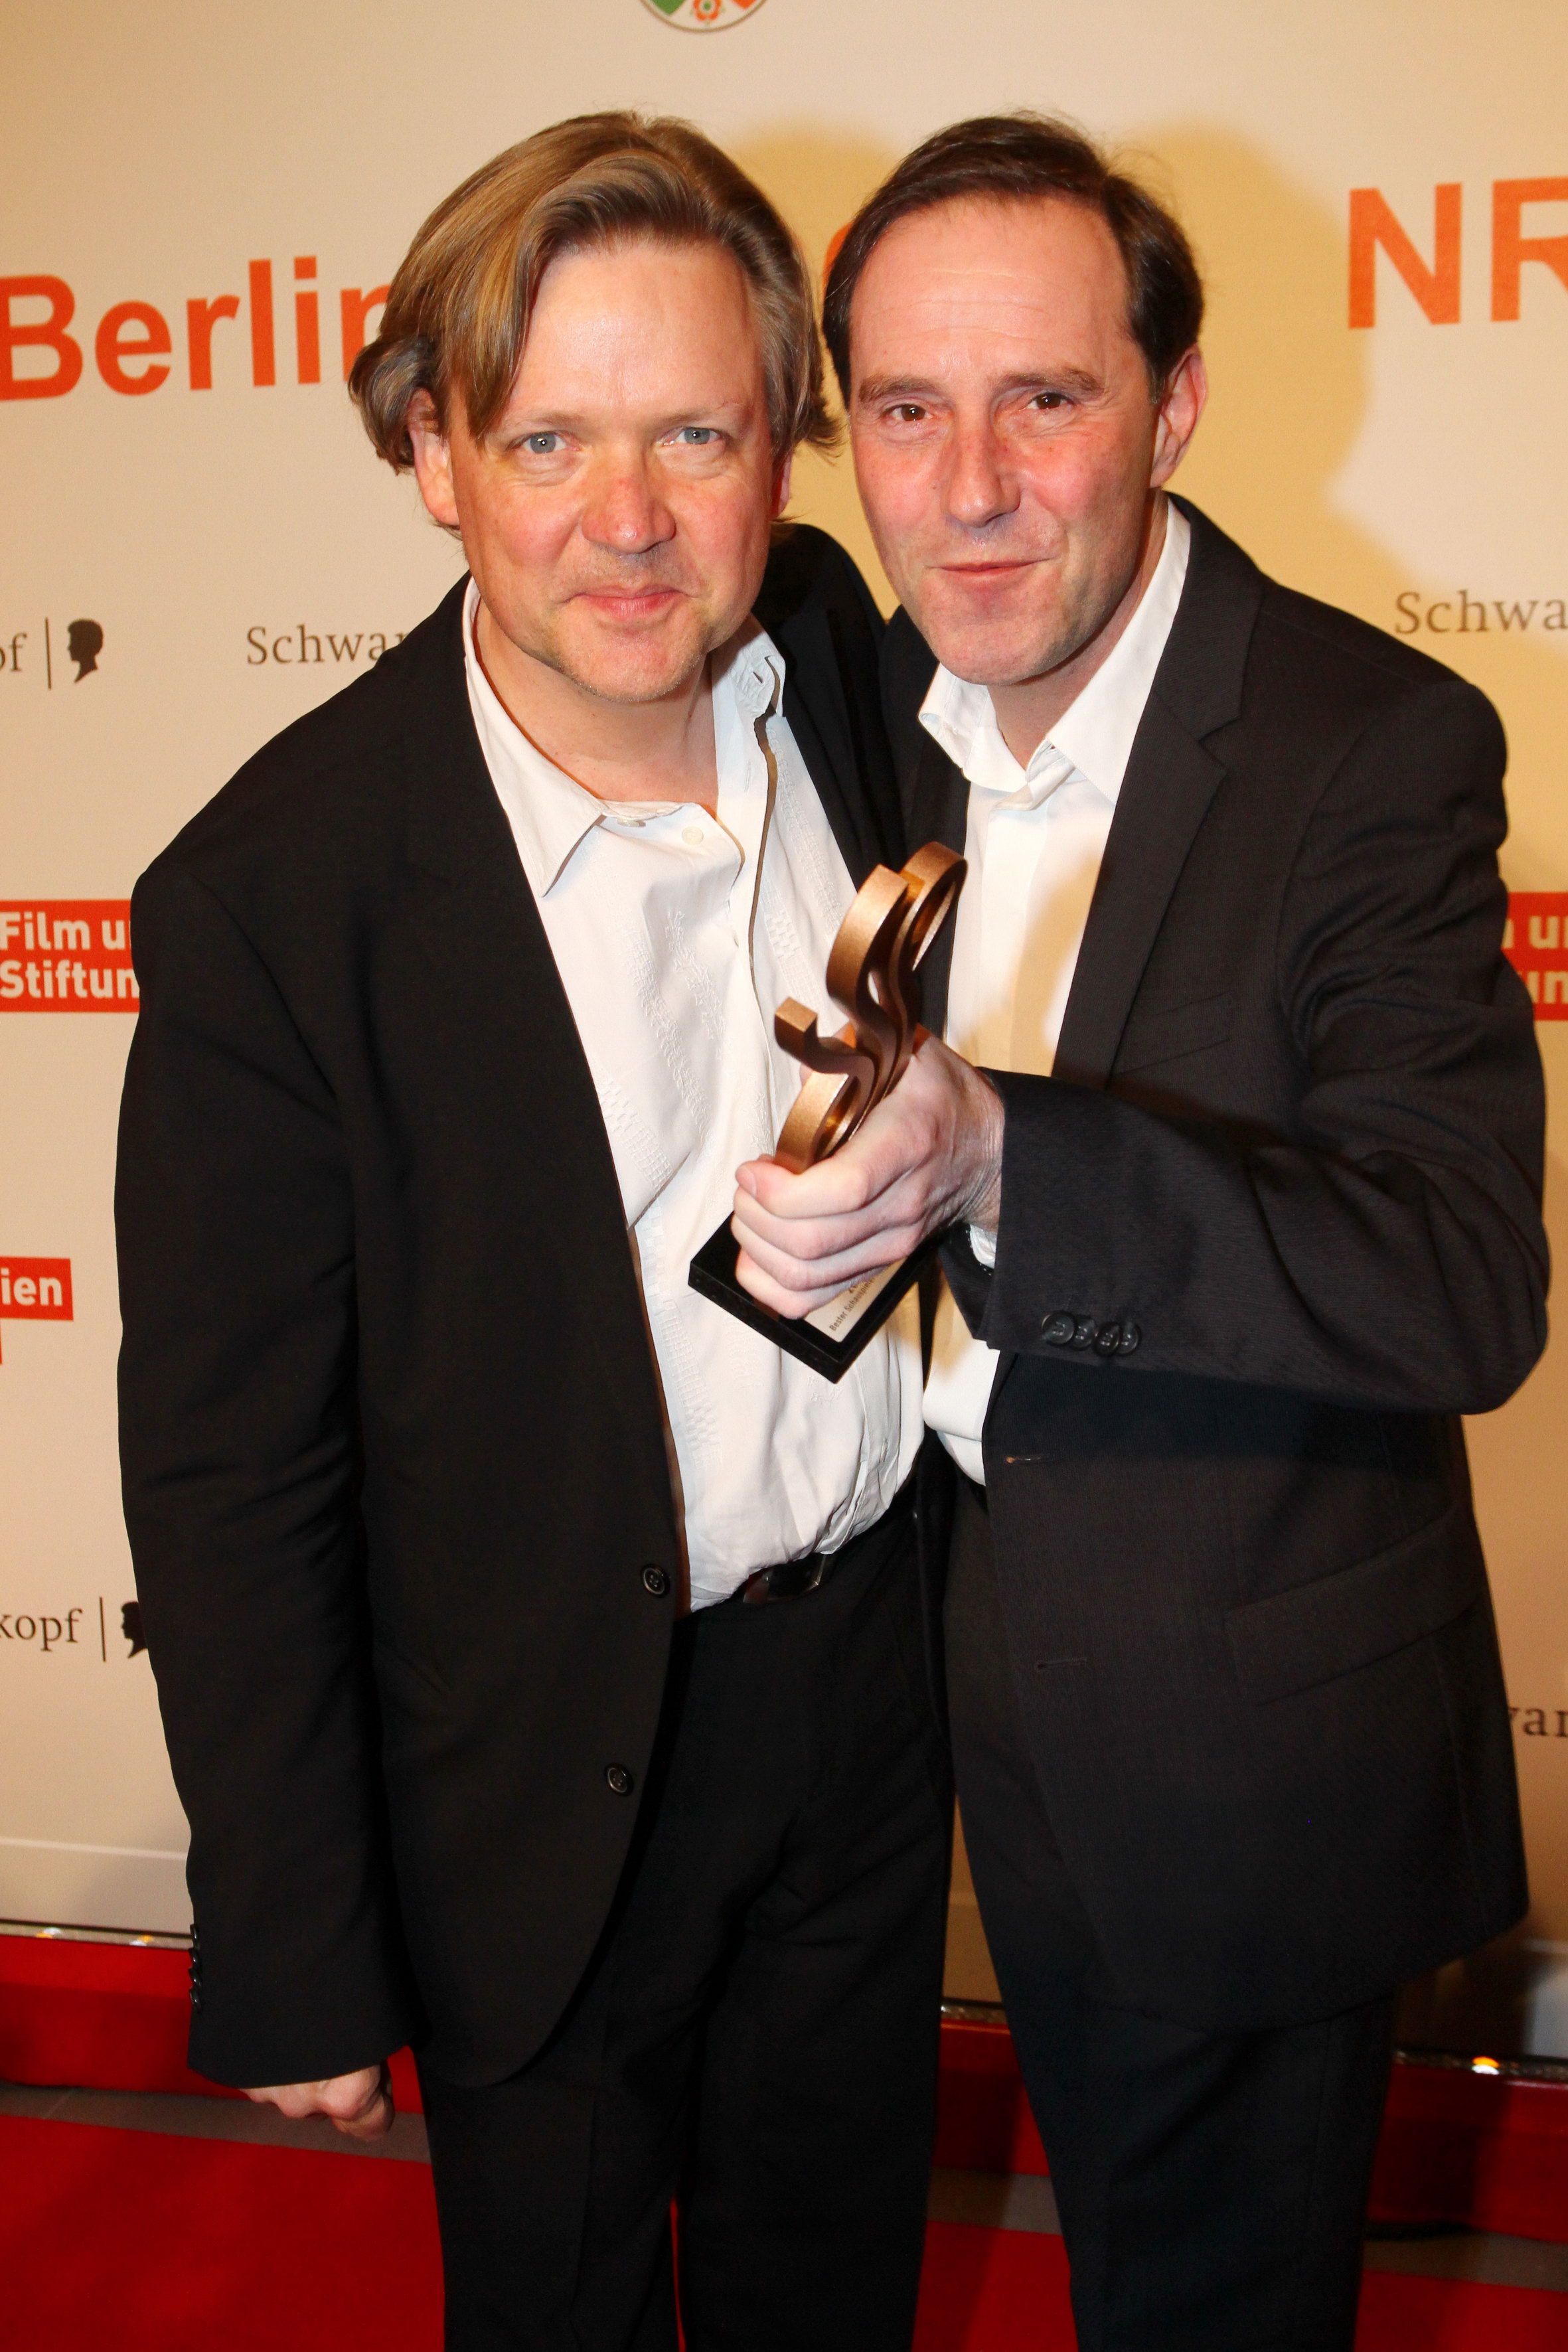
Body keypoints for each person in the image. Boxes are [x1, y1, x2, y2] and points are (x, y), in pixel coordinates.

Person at [116, 114, 950, 2352]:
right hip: (541, 1765)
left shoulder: (838, 662)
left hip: (868, 1703)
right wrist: (294, 1942)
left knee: (834, 2297)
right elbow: (230, 1474)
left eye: (696, 433)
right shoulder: (278, 898)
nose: (628, 517)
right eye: (550, 438)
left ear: (780, 444)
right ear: (432, 454)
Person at [732, 113, 1549, 2350]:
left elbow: (1456, 1279)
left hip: (1233, 1736)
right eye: (906, 411)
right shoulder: (858, 707)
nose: (970, 488)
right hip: (931, 1697)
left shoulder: (1370, 744)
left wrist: (1007, 1155)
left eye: (1046, 399)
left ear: (1173, 406)